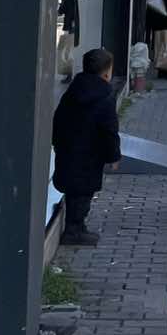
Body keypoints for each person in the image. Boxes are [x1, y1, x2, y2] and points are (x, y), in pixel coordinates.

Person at [51, 47, 122, 246]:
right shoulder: (105, 96)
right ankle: (73, 230)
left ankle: (77, 227)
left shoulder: (73, 91)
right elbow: (109, 130)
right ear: (106, 73)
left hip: (69, 150)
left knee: (74, 190)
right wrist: (114, 156)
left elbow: (59, 118)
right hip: (91, 154)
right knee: (83, 193)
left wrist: (57, 142)